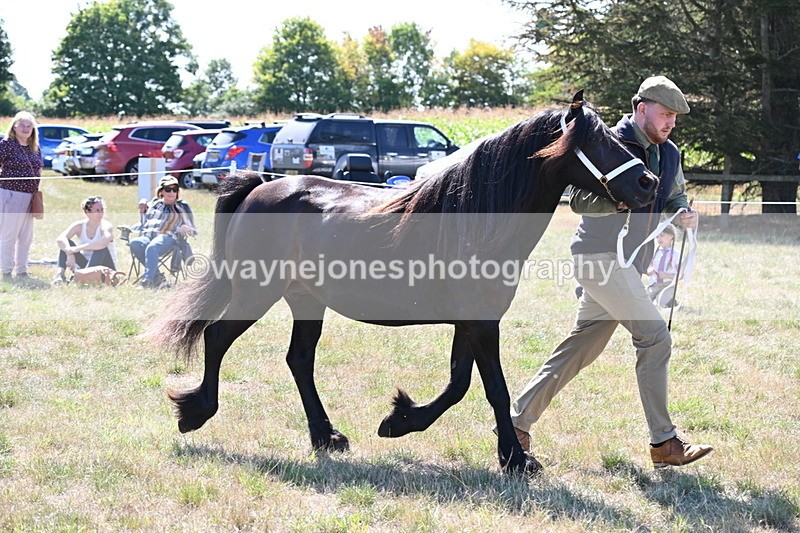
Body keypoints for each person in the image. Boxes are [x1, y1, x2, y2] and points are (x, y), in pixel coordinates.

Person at [509, 76, 713, 469]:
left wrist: (682, 213)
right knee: (655, 338)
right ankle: (664, 443)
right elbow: (579, 201)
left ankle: (516, 423)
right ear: (642, 109)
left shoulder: (669, 152)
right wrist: (618, 205)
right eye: (665, 113)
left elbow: (674, 195)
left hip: (629, 265)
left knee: (581, 347)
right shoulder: (608, 142)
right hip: (599, 257)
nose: (671, 123)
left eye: (674, 117)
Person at [129, 176, 196, 288]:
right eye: (168, 189)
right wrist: (143, 204)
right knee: (135, 243)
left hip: (167, 238)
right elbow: (144, 222)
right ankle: (157, 278)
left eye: (174, 189)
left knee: (152, 247)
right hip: (148, 236)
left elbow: (192, 230)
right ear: (161, 191)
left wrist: (185, 228)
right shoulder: (155, 205)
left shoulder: (180, 207)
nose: (171, 192)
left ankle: (147, 281)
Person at [0, 111, 43, 283]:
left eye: (29, 125)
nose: (26, 128)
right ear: (14, 127)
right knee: (9, 234)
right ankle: (7, 271)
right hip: (11, 195)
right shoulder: (6, 145)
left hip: (30, 197)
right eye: (22, 125)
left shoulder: (35, 147)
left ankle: (22, 270)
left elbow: (39, 168)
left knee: (26, 236)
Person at [54, 196, 118, 284]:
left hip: (106, 266)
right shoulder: (80, 225)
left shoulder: (106, 225)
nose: (100, 213)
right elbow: (60, 239)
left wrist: (77, 249)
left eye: (102, 210)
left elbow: (103, 243)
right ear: (87, 212)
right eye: (97, 210)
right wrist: (69, 253)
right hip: (86, 264)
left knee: (101, 249)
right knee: (67, 243)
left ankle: (82, 277)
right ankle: (59, 275)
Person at [646, 224, 679, 306]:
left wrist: (667, 275)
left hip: (668, 285)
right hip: (655, 284)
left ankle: (670, 300)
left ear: (671, 236)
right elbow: (650, 267)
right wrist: (649, 271)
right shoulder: (655, 252)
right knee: (645, 302)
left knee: (659, 304)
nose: (659, 239)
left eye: (662, 235)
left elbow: (680, 276)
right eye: (657, 237)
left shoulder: (676, 254)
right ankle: (661, 297)